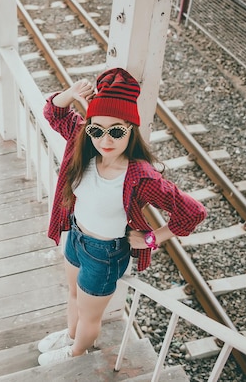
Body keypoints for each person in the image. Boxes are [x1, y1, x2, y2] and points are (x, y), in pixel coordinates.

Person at [37, 67, 207, 366]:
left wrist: (153, 238)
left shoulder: (141, 176)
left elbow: (192, 213)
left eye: (116, 130)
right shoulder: (84, 144)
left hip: (105, 253)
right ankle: (70, 335)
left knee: (91, 315)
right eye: (97, 129)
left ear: (131, 129)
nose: (106, 139)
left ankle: (76, 353)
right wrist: (72, 94)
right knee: (74, 295)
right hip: (76, 236)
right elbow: (55, 113)